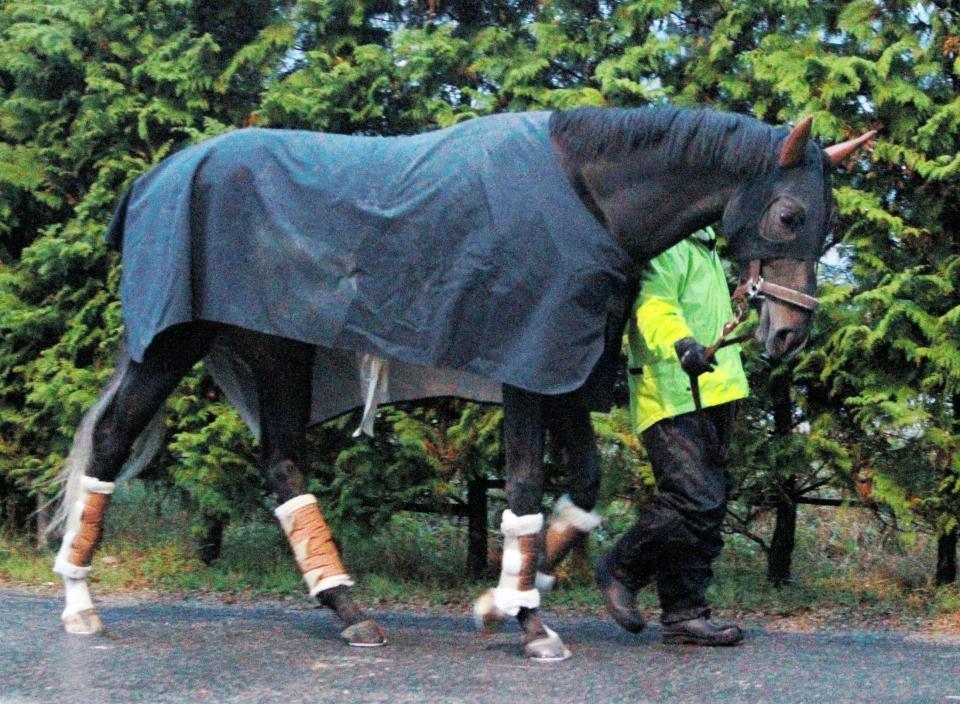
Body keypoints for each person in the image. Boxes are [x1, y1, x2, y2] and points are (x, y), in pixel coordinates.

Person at [595, 226, 750, 646]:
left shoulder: (706, 246)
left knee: (707, 510)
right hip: (670, 395)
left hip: (716, 391)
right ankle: (621, 567)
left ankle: (685, 614)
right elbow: (653, 308)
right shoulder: (667, 244)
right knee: (692, 499)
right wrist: (682, 344)